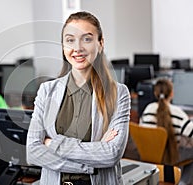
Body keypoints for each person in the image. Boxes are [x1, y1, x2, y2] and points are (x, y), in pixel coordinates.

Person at [26, 11, 131, 185]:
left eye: (87, 39)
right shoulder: (47, 91)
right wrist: (89, 164)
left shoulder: (118, 93)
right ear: (63, 46)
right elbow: (33, 152)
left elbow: (111, 154)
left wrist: (52, 144)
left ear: (100, 43)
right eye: (70, 40)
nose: (78, 48)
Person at [140, 79, 193, 185]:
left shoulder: (147, 110)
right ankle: (182, 182)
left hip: (148, 163)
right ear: (172, 93)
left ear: (155, 93)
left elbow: (142, 129)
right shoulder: (179, 113)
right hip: (169, 165)